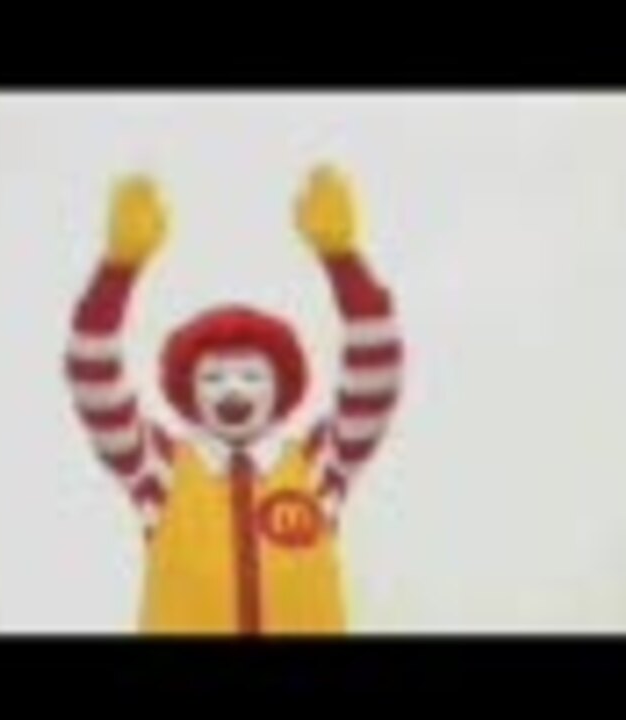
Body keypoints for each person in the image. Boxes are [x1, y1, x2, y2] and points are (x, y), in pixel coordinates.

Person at [64, 166, 404, 634]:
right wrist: (117, 270)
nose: (233, 390)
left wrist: (343, 260)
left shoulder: (319, 466)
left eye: (251, 375)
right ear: (189, 392)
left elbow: (374, 378)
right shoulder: (159, 471)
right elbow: (94, 382)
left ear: (280, 389)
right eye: (213, 378)